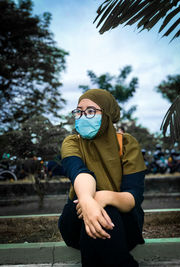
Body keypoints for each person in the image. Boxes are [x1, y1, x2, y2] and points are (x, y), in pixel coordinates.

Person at [58, 89, 146, 267]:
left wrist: (104, 197)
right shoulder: (72, 142)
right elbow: (79, 172)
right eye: (79, 111)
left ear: (106, 114)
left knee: (109, 210)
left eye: (91, 111)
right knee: (99, 209)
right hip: (76, 218)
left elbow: (133, 196)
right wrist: (87, 200)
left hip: (124, 223)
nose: (82, 116)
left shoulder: (127, 144)